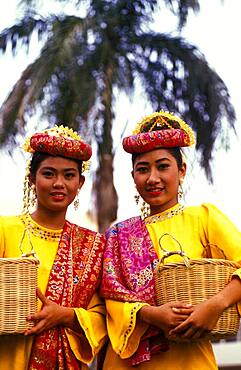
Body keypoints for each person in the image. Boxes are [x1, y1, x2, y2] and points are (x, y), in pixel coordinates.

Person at [100, 111, 241, 370]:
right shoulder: (118, 234)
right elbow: (109, 299)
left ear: (182, 170)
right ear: (134, 177)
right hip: (123, 362)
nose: (153, 178)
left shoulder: (203, 217)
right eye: (143, 169)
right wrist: (149, 314)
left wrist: (214, 306)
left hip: (189, 357)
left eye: (163, 166)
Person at [0, 125, 107, 369]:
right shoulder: (5, 229)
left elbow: (103, 317)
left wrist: (65, 315)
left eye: (69, 175)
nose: (59, 183)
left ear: (79, 183)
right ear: (32, 178)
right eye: (48, 174)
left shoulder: (93, 244)